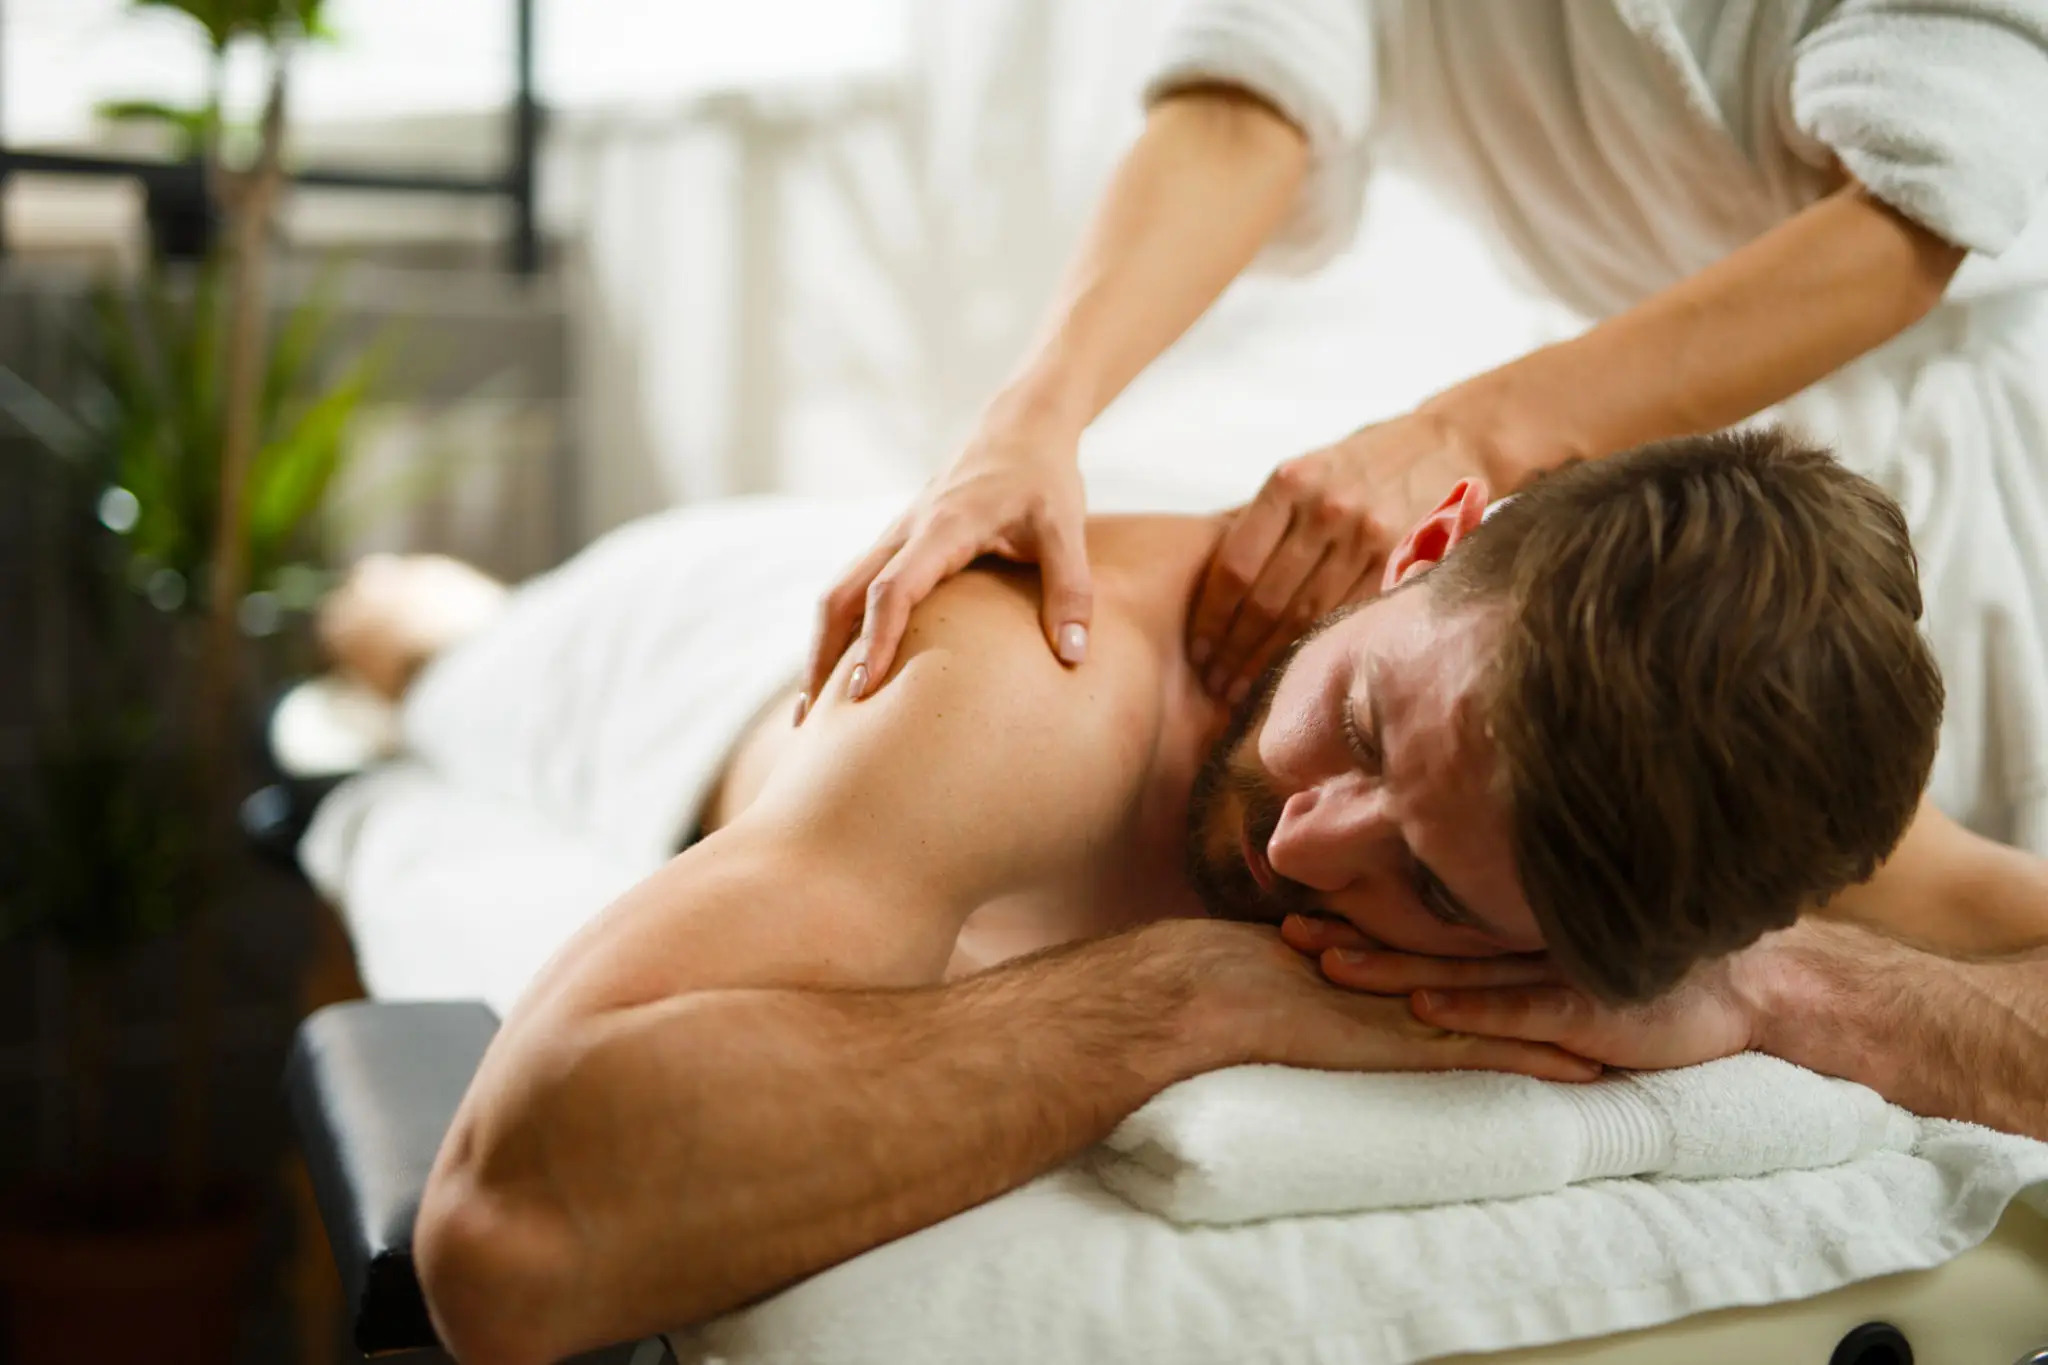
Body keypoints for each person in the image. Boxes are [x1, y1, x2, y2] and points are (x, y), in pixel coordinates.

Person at [340, 432, 2048, 1365]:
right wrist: (1178, 1000)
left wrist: (1784, 995)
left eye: (1431, 889)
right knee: (416, 648)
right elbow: (507, 1240)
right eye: (1362, 724)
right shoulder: (1021, 700)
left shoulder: (1703, 780)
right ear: (1430, 544)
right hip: (688, 649)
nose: (1308, 846)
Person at [805, 0, 2048, 858]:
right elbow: (1249, 100)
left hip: (1941, 444)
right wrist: (1031, 415)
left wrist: (1466, 436)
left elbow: (1905, 219)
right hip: (1636, 448)